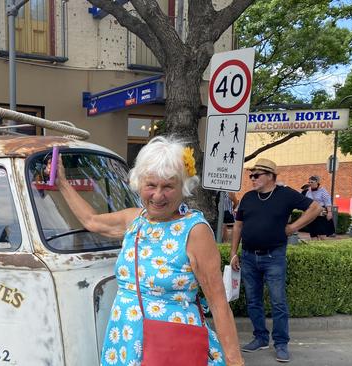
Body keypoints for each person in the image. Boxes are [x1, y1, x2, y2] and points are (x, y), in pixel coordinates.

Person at [54, 136, 244, 366]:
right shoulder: (135, 219)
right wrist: (62, 182)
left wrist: (235, 361)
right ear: (139, 184)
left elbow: (218, 303)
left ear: (182, 187)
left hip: (173, 343)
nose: (157, 195)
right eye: (151, 185)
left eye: (168, 186)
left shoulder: (194, 231)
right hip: (126, 336)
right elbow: (91, 220)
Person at [230, 158, 322, 363]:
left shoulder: (286, 194)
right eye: (251, 175)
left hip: (274, 257)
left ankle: (281, 343)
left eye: (256, 175)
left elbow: (315, 208)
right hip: (248, 256)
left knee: (278, 302)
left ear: (271, 176)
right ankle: (260, 338)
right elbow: (238, 226)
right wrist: (233, 253)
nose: (252, 179)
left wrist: (293, 227)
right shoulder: (248, 197)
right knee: (253, 301)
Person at [304, 175, 334, 239]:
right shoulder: (308, 192)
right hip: (311, 213)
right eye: (309, 182)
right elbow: (306, 201)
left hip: (321, 214)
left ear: (317, 182)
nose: (310, 184)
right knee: (313, 234)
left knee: (322, 235)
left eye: (312, 182)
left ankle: (323, 247)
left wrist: (329, 212)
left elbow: (327, 202)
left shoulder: (323, 191)